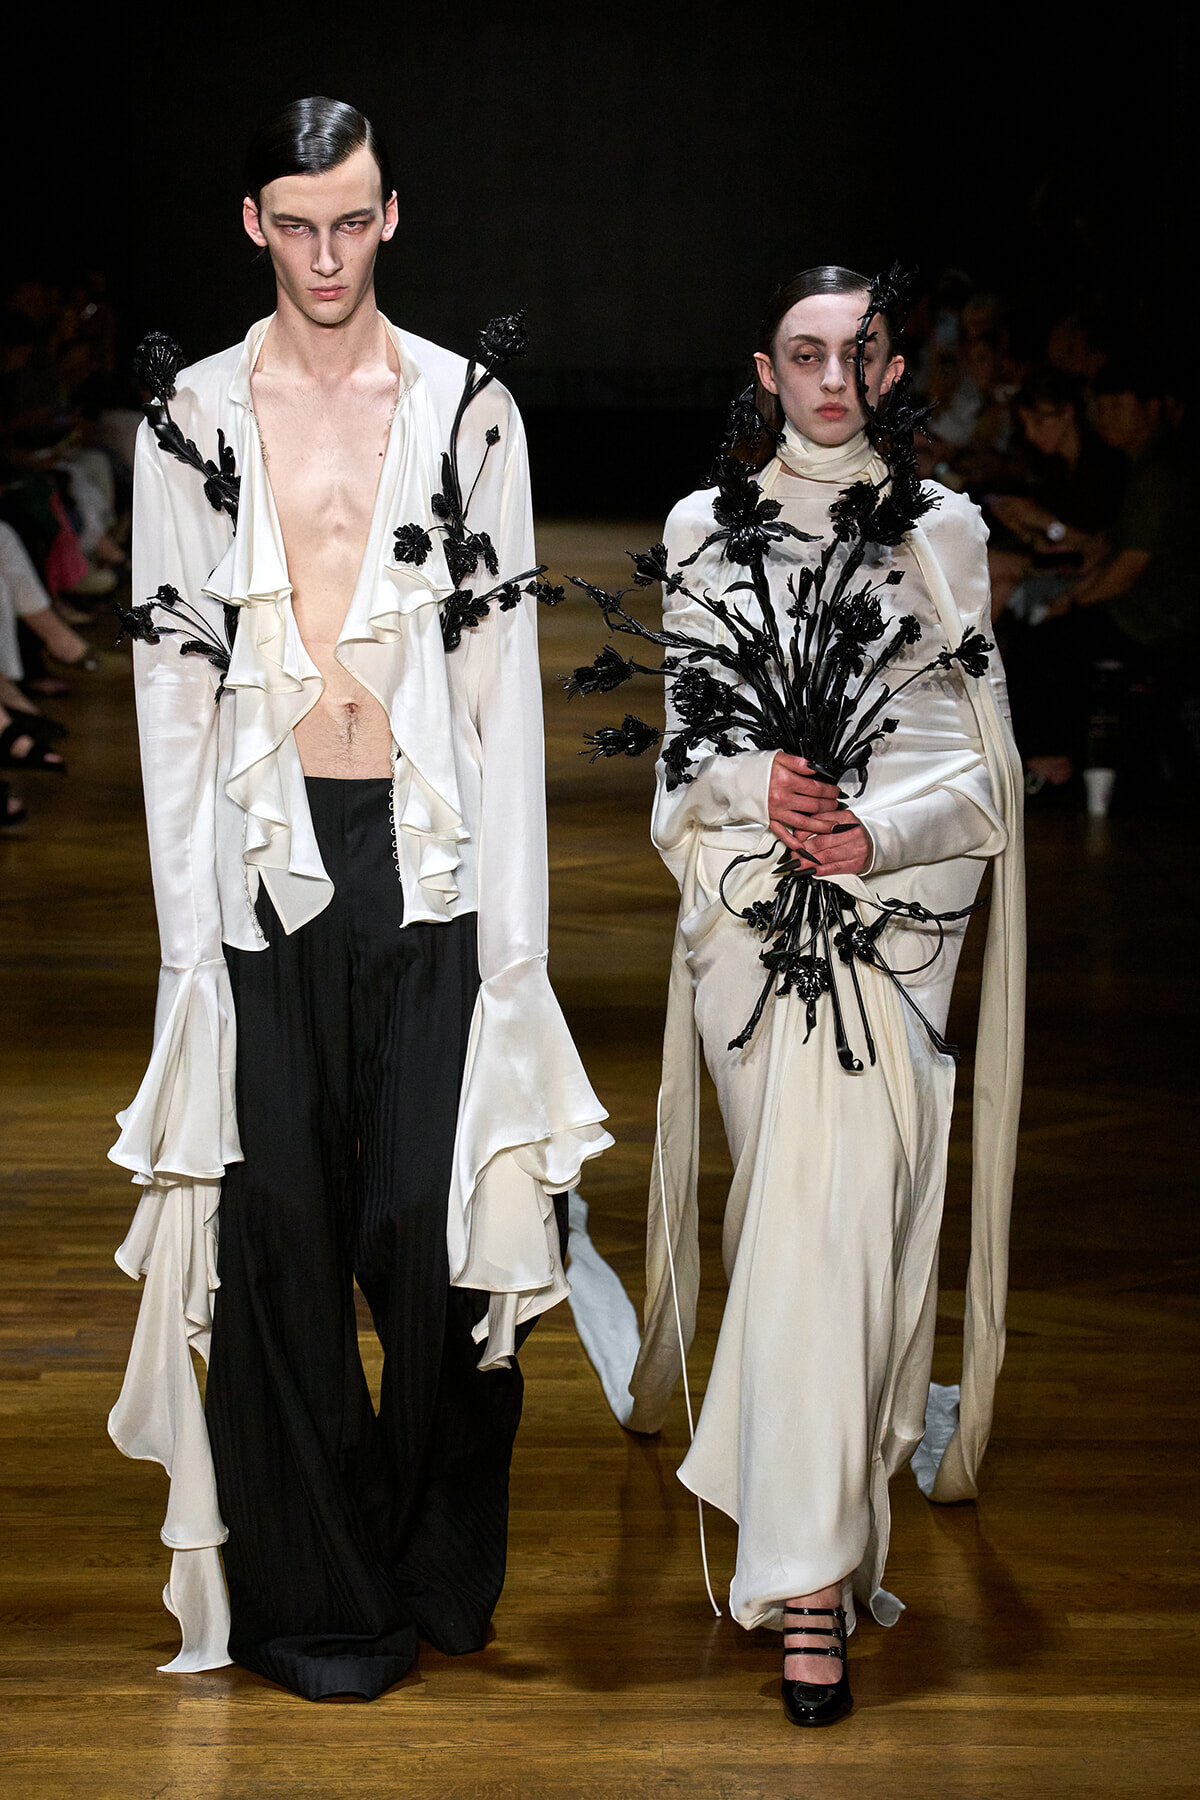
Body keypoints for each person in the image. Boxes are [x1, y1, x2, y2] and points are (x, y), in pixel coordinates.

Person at [107, 96, 611, 1702]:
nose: (327, 254)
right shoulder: (189, 420)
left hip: (426, 852)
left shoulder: (469, 414)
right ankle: (318, 1594)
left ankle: (428, 1558)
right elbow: (170, 703)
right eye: (297, 222)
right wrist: (191, 956)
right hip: (265, 866)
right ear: (253, 223)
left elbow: (503, 705)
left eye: (354, 219)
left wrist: (517, 961)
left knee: (429, 1215)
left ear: (392, 216)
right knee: (274, 1224)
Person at [575, 267, 1024, 1727]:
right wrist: (754, 786)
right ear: (763, 371)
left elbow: (988, 773)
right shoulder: (707, 530)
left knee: (840, 1216)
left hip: (900, 920)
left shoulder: (947, 533)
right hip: (751, 912)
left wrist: (874, 834)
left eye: (859, 353)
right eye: (805, 355)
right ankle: (817, 1537)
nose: (833, 380)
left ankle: (811, 1568)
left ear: (892, 371)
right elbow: (678, 760)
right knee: (802, 1203)